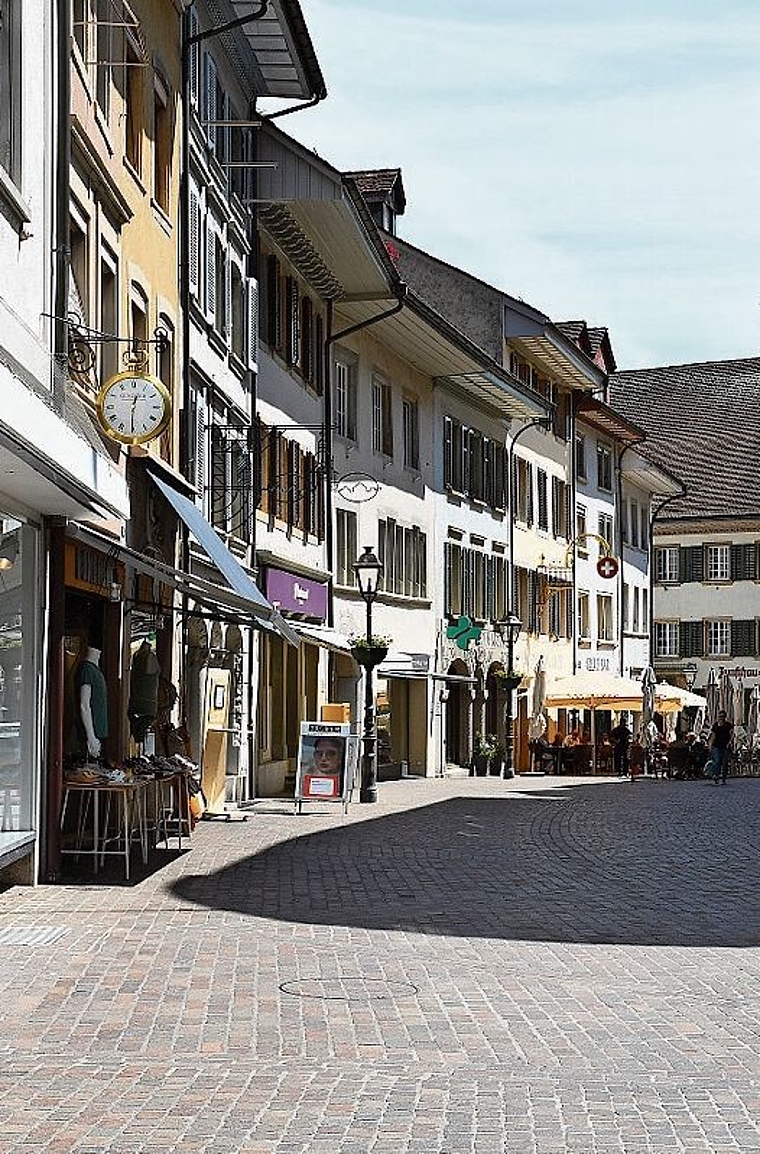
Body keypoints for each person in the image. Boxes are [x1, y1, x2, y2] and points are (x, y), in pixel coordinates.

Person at [708, 710, 733, 785]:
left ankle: (724, 779)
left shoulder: (728, 725)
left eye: (722, 716)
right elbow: (713, 735)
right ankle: (716, 776)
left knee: (725, 763)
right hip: (716, 746)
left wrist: (730, 742)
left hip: (725, 746)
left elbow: (732, 734)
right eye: (720, 716)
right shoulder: (715, 725)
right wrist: (710, 745)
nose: (721, 718)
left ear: (725, 717)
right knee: (717, 761)